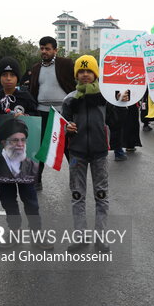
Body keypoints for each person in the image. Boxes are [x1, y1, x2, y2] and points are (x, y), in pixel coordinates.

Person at [0, 57, 51, 250]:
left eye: (12, 75)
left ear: (17, 78)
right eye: (4, 75)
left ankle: (37, 234)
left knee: (30, 199)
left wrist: (27, 118)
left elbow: (37, 120)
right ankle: (14, 232)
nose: (8, 79)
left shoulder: (26, 98)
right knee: (7, 199)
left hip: (24, 160)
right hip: (2, 162)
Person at [62, 55, 112, 252]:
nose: (85, 75)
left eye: (88, 71)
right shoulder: (69, 99)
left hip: (99, 153)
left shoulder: (106, 97)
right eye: (81, 71)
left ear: (95, 73)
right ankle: (80, 236)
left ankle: (101, 237)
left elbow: (116, 122)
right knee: (77, 195)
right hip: (77, 153)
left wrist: (123, 102)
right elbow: (62, 125)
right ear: (76, 74)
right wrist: (68, 128)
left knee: (101, 195)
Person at [29, 36, 76, 191]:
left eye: (47, 49)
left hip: (64, 113)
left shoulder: (66, 64)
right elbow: (32, 91)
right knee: (41, 147)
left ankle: (75, 180)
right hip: (42, 112)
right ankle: (37, 180)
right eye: (42, 48)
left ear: (55, 50)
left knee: (68, 148)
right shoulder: (36, 68)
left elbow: (78, 83)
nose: (44, 51)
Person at [0, 118, 39, 184]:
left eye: (23, 140)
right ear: (4, 142)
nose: (20, 144)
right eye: (15, 140)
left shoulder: (33, 167)